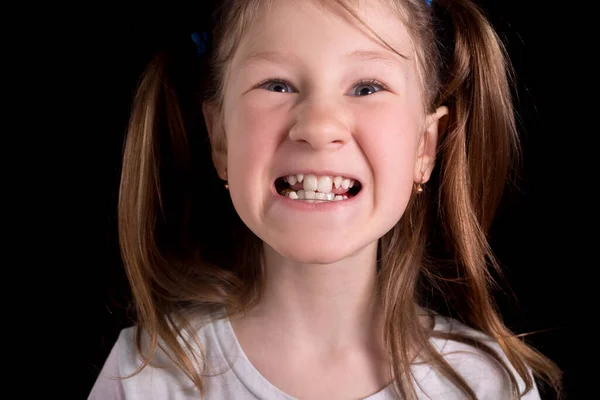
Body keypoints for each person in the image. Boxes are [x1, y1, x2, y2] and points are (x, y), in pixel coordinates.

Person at [89, 0, 563, 398]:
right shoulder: (147, 376)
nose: (318, 127)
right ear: (221, 141)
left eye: (367, 87)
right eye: (276, 85)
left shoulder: (488, 387)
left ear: (424, 147)